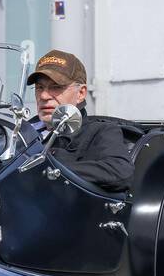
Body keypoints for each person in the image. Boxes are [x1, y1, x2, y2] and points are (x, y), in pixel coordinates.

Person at [21, 50, 133, 192]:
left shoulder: (99, 131)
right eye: (39, 88)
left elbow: (120, 172)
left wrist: (52, 167)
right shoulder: (21, 132)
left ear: (81, 93)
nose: (43, 95)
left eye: (56, 87)